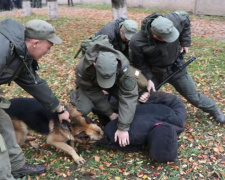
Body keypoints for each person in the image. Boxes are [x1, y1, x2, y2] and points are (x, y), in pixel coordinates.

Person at [0, 19, 71, 179]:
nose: (48, 51)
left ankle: (17, 166)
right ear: (35, 43)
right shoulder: (3, 48)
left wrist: (59, 109)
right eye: (49, 47)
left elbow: (34, 83)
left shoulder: (20, 54)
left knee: (5, 123)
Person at [129, 11, 225, 123]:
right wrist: (149, 79)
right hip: (154, 72)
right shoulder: (137, 41)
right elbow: (139, 63)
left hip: (176, 68)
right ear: (155, 36)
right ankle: (146, 117)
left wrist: (185, 42)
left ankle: (214, 110)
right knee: (142, 97)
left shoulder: (172, 21)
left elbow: (185, 17)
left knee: (193, 96)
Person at [73, 40, 139, 148]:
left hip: (114, 83)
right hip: (90, 85)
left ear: (116, 64)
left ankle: (113, 111)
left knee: (133, 103)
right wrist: (110, 114)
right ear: (94, 64)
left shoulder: (123, 64)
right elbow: (92, 91)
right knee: (83, 109)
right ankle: (79, 99)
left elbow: (129, 95)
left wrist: (123, 127)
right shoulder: (83, 67)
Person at [99, 91, 186, 162]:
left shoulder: (135, 136)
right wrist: (150, 96)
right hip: (136, 96)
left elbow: (107, 136)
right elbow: (175, 101)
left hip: (120, 110)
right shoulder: (177, 121)